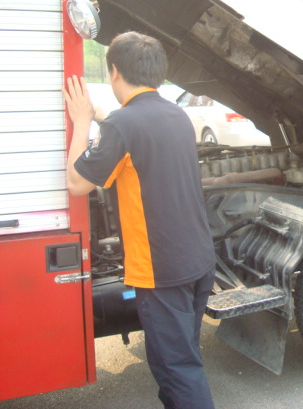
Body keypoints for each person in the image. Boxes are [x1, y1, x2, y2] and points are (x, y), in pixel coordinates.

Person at [62, 31, 217, 409]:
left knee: (177, 368)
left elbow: (77, 183)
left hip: (161, 271)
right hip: (198, 261)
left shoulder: (123, 125)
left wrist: (81, 121)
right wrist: (102, 117)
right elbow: (135, 138)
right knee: (181, 359)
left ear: (114, 71)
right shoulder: (176, 115)